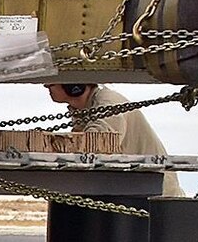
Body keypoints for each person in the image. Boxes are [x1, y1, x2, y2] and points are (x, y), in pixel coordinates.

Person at [46, 81, 186, 198]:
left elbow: (96, 144)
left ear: (73, 87)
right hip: (136, 192)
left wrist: (47, 143)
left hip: (155, 199)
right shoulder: (86, 109)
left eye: (51, 83)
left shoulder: (108, 102)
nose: (46, 86)